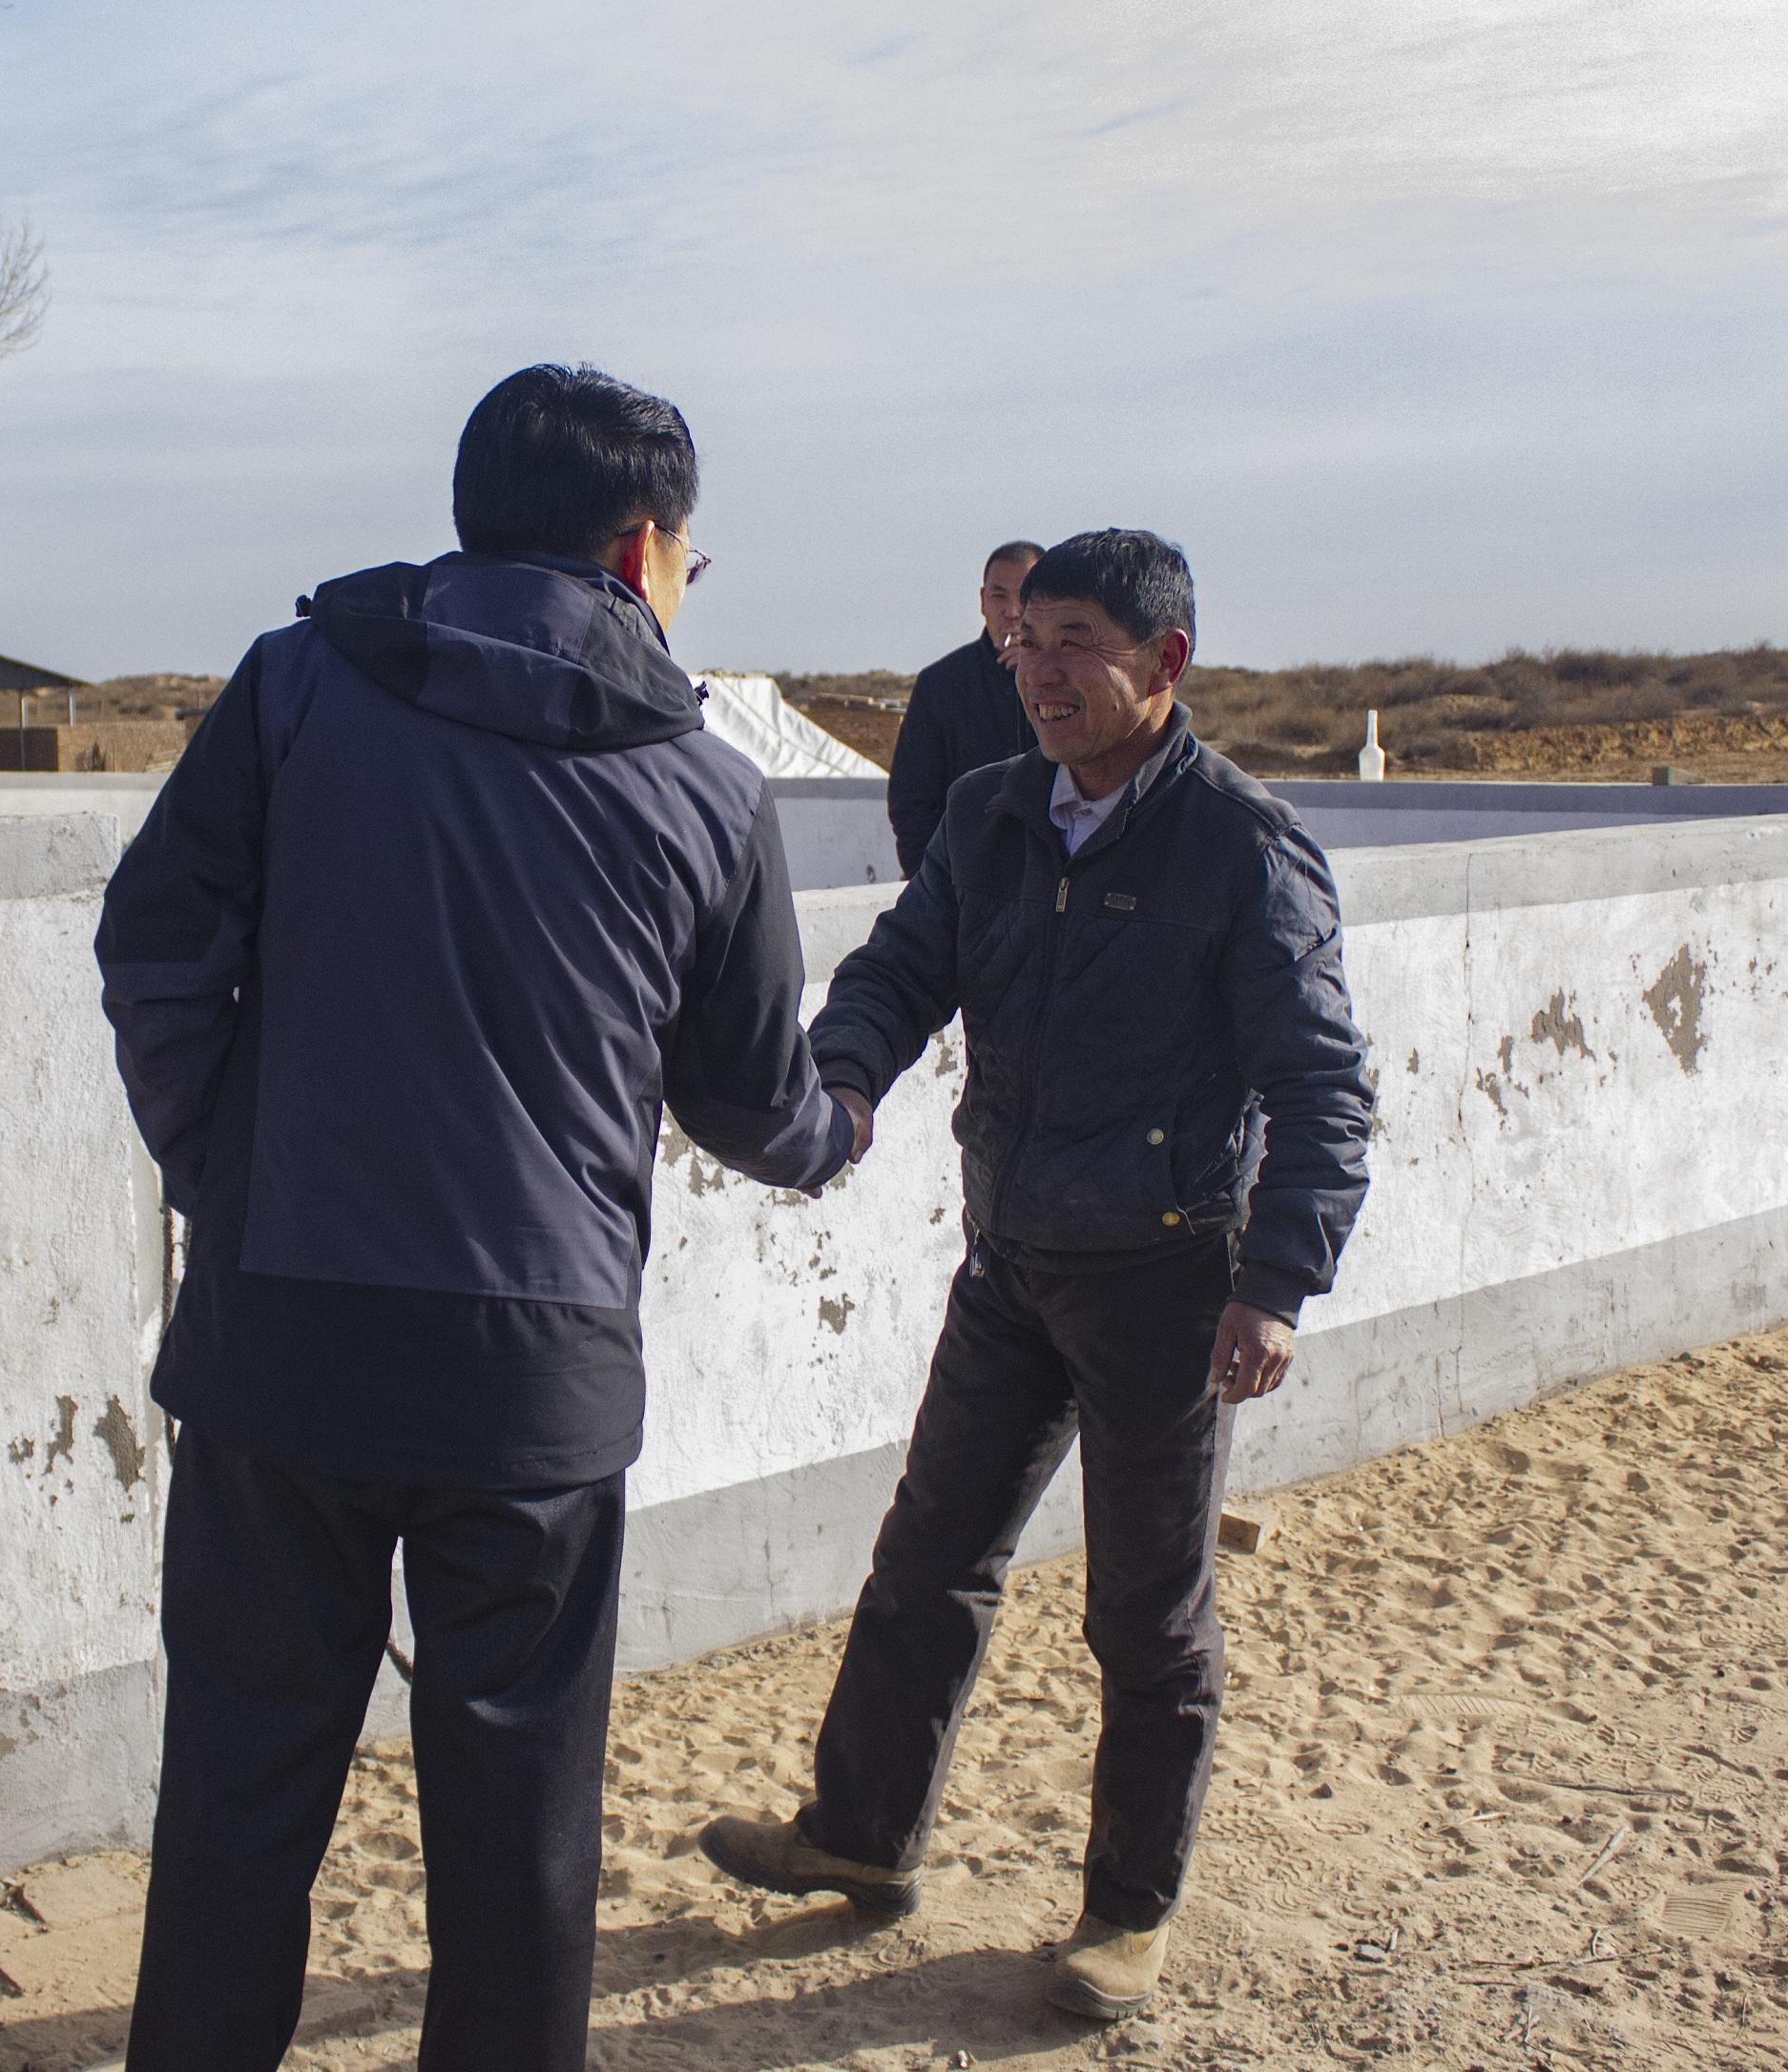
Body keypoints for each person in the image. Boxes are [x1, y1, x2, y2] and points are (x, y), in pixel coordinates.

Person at [95, 364, 863, 2072]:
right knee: (520, 1831)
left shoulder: (301, 684)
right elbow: (748, 1099)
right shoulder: (711, 790)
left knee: (237, 1791)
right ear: (643, 545)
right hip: (534, 1376)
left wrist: (221, 1170)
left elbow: (154, 940)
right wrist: (838, 1134)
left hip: (282, 1339)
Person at [699, 528, 1376, 2022]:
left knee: (1147, 1612)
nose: (1045, 672)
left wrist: (1275, 1282)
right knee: (927, 1559)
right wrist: (843, 1086)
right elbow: (898, 967)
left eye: (1080, 644)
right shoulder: (994, 810)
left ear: (1166, 664)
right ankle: (862, 1841)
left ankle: (1125, 1915)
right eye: (1031, 641)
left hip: (1165, 1281)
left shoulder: (1242, 849)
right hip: (1010, 1260)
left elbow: (1324, 1089)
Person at [885, 540, 1041, 877]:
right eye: (999, 597)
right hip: (962, 882)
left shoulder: (1066, 681)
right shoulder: (940, 684)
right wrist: (931, 881)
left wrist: (1035, 676)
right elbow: (911, 799)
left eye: (1026, 596)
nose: (1013, 611)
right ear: (982, 601)